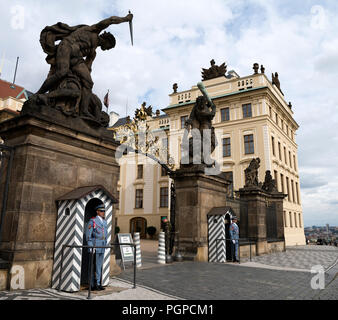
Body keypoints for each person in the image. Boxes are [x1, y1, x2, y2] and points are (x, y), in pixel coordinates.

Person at [85, 204, 108, 291]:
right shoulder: (93, 221)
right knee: (92, 266)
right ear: (97, 212)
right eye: (101, 211)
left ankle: (98, 283)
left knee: (99, 266)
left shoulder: (104, 221)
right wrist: (90, 246)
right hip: (94, 246)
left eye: (104, 211)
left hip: (102, 246)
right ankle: (91, 284)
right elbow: (88, 235)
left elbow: (105, 234)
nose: (103, 213)